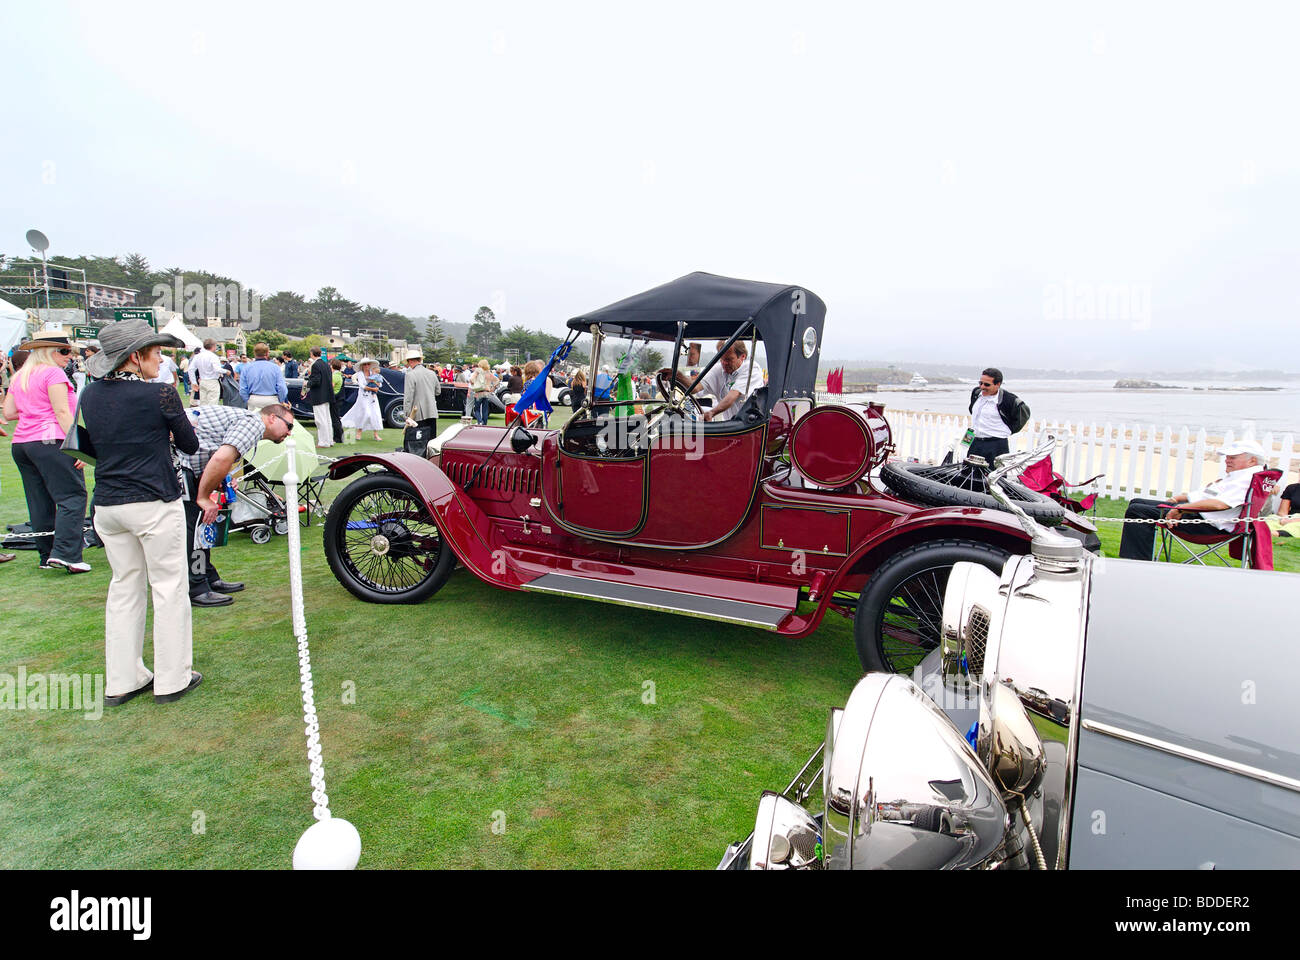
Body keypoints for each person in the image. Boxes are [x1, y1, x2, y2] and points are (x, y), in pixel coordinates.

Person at [80, 320, 203, 704]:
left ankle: (122, 679)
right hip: (153, 500)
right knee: (168, 588)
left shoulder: (90, 394)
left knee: (124, 588)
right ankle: (172, 678)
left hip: (109, 503)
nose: (161, 359)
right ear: (135, 357)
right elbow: (189, 442)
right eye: (156, 352)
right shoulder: (161, 395)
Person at [180, 402, 297, 606]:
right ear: (272, 418)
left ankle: (207, 577)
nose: (289, 433)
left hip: (185, 462)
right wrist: (204, 497)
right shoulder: (254, 423)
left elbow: (213, 454)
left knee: (200, 525)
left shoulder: (246, 422)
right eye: (289, 426)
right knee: (194, 526)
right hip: (177, 462)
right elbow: (221, 458)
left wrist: (221, 478)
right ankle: (195, 588)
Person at [2, 334, 89, 572]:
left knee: (39, 501)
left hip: (22, 443)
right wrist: (79, 448)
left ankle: (47, 555)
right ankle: (67, 554)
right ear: (48, 352)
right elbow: (62, 412)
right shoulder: (53, 374)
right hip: (50, 440)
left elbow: (9, 412)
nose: (69, 356)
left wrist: (34, 410)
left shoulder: (21, 375)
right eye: (64, 352)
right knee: (72, 497)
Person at [1118, 440, 1267, 561]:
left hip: (1206, 525)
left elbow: (1219, 504)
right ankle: (1136, 558)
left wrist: (1180, 508)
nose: (1226, 460)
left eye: (1232, 457)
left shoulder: (1246, 479)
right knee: (1137, 502)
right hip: (1200, 515)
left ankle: (1136, 561)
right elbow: (1204, 495)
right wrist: (1176, 500)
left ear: (1252, 460)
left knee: (1137, 510)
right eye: (1227, 456)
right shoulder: (1241, 476)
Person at [967, 368, 1029, 463]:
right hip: (975, 442)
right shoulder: (976, 393)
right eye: (980, 383)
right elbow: (974, 413)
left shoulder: (1008, 400)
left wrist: (1008, 430)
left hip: (997, 445)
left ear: (998, 384)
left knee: (994, 476)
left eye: (987, 384)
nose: (982, 387)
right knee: (968, 476)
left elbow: (1024, 413)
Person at [402, 348, 440, 444]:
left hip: (417, 413)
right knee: (431, 441)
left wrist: (406, 415)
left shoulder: (410, 375)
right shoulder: (432, 373)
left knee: (417, 443)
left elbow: (408, 397)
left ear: (410, 361)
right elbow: (438, 391)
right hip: (431, 411)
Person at [342, 358, 384, 441]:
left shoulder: (374, 373)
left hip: (372, 397)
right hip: (363, 397)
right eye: (365, 364)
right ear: (362, 366)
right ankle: (359, 432)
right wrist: (372, 389)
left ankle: (375, 434)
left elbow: (380, 384)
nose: (366, 366)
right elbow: (362, 385)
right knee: (365, 413)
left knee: (375, 414)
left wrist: (375, 384)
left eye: (368, 364)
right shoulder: (360, 374)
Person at [239, 342, 288, 411]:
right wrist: (281, 400)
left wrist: (248, 400)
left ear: (254, 353)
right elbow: (281, 387)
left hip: (254, 399)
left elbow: (243, 389)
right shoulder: (275, 368)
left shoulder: (247, 368)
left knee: (254, 421)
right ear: (267, 353)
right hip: (272, 399)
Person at [305, 346, 335, 448]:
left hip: (319, 396)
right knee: (327, 419)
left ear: (312, 354)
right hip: (326, 395)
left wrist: (307, 383)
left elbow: (316, 380)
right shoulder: (326, 364)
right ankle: (329, 440)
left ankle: (324, 442)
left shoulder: (316, 365)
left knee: (320, 420)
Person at [191, 339, 226, 406]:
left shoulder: (198, 356)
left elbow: (191, 369)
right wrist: (226, 371)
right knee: (213, 402)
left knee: (203, 402)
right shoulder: (213, 356)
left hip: (202, 380)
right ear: (213, 346)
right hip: (212, 381)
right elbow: (217, 369)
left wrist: (194, 382)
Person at [470, 359, 494, 425]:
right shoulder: (488, 372)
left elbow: (472, 379)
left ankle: (480, 421)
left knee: (476, 409)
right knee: (485, 410)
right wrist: (492, 388)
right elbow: (496, 380)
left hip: (479, 392)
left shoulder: (478, 371)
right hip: (486, 392)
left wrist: (473, 383)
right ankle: (484, 423)